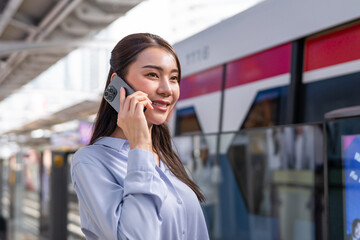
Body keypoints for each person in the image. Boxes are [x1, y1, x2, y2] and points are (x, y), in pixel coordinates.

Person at [71, 33, 209, 240]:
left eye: (173, 78)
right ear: (117, 84)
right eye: (153, 75)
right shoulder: (90, 161)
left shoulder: (166, 155)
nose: (167, 89)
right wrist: (140, 145)